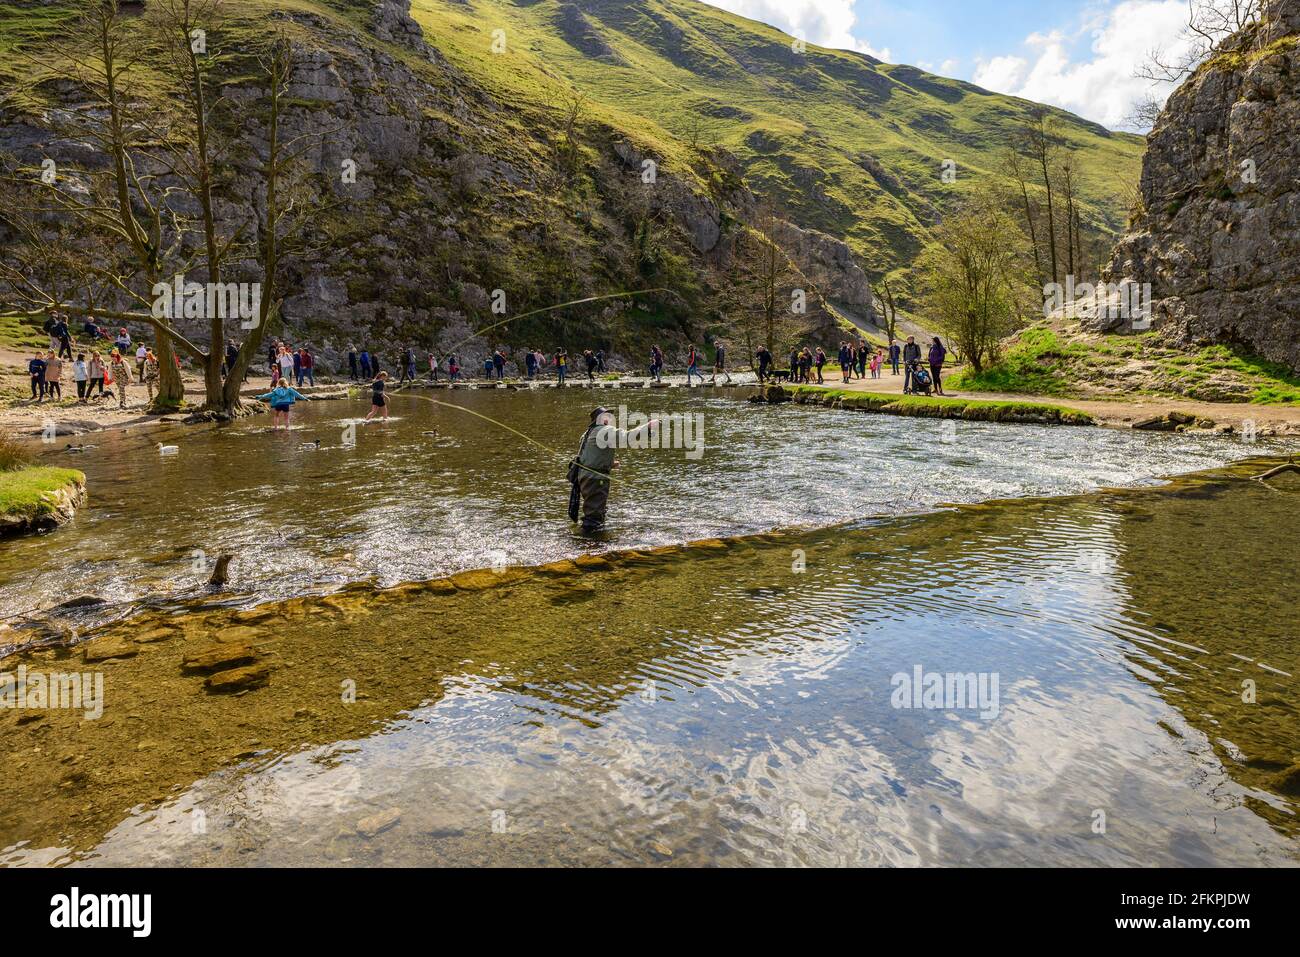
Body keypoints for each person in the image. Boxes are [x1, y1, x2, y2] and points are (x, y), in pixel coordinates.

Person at [568, 406, 658, 533]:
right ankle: (589, 545)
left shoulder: (588, 432)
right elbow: (626, 437)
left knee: (593, 512)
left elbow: (589, 455)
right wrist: (647, 427)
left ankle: (590, 540)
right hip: (595, 479)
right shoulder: (604, 430)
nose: (610, 418)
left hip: (584, 477)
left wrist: (609, 464)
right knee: (594, 518)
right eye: (606, 416)